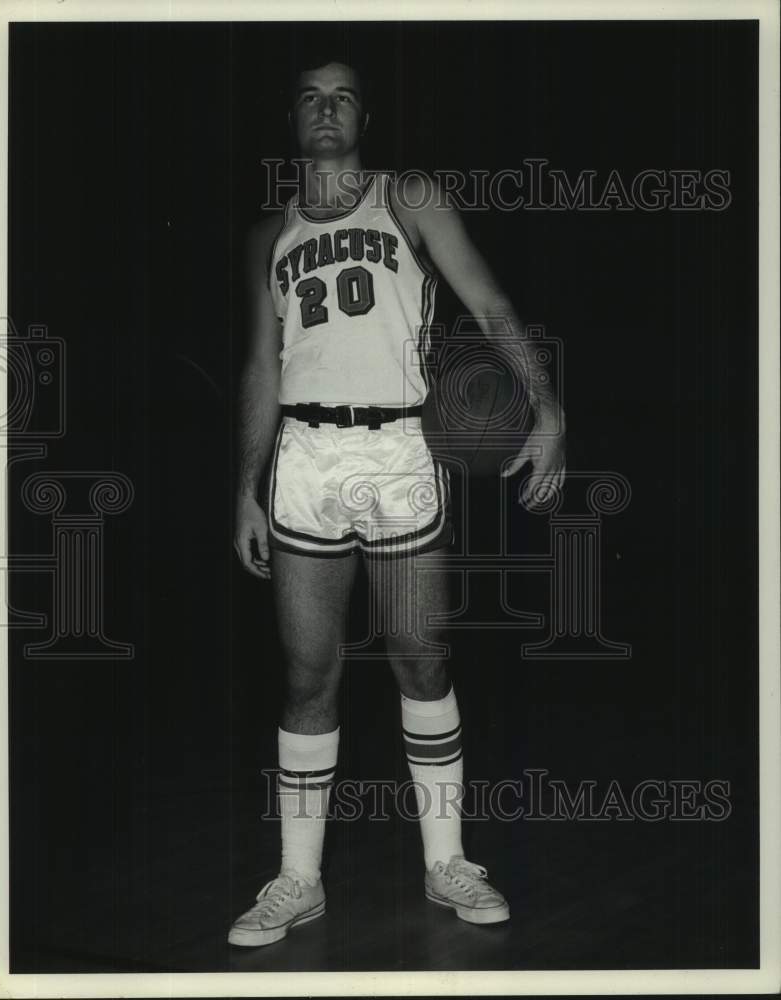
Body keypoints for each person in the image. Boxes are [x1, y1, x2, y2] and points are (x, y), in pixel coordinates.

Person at [230, 58, 566, 947]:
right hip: (304, 456)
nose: (326, 110)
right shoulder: (269, 231)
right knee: (308, 677)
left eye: (342, 96)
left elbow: (489, 304)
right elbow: (262, 366)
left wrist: (549, 409)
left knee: (421, 661)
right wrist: (246, 485)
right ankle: (297, 880)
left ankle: (445, 860)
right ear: (292, 117)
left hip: (395, 450)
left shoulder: (408, 195)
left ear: (364, 115)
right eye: (310, 96)